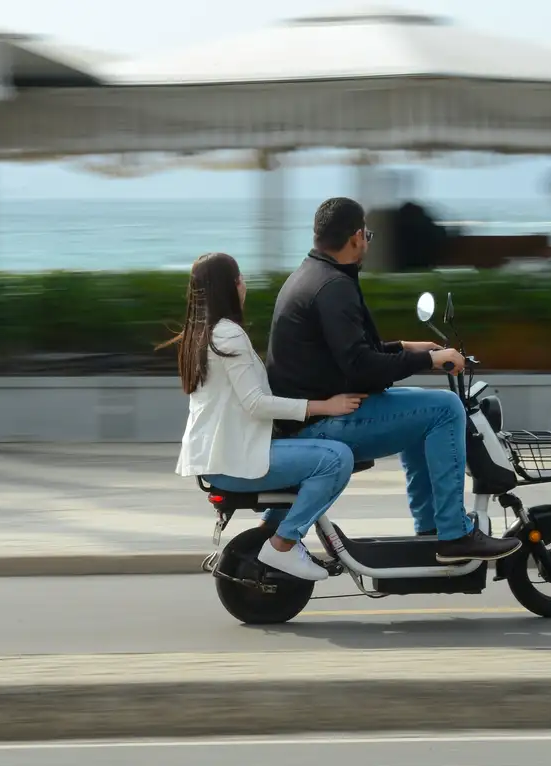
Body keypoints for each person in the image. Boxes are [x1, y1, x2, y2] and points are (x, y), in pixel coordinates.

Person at [265, 197, 522, 564]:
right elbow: (361, 366)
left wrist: (405, 347)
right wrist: (430, 359)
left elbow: (344, 353)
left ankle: (433, 526)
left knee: (422, 408)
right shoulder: (333, 286)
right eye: (366, 234)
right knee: (446, 408)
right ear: (355, 237)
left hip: (313, 416)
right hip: (325, 423)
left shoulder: (309, 276)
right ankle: (454, 533)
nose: (367, 242)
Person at [164, 252, 366, 581]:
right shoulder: (228, 335)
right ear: (228, 288)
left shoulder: (201, 334)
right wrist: (323, 406)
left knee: (310, 456)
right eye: (239, 278)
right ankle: (282, 545)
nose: (244, 284)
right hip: (234, 461)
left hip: (220, 459)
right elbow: (256, 403)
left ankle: (266, 536)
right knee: (335, 459)